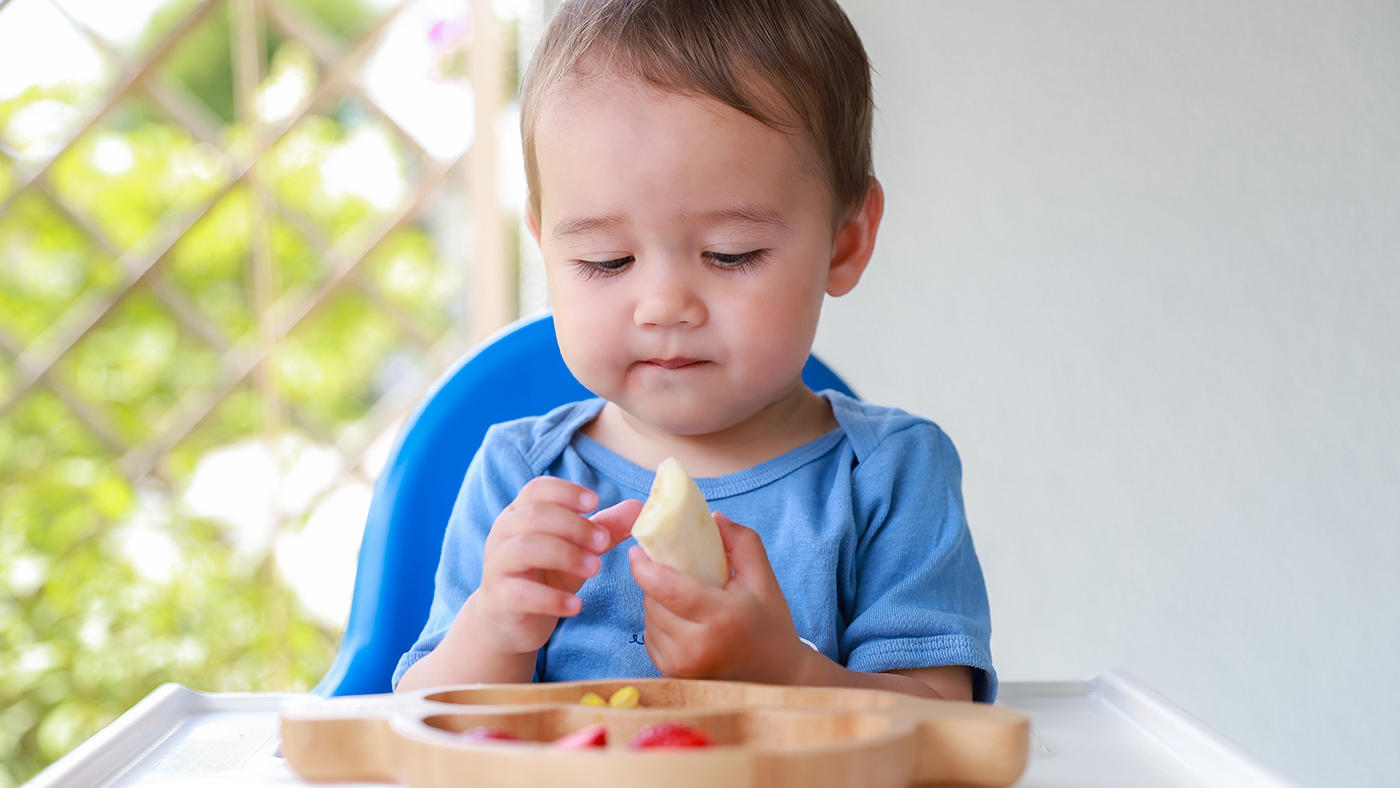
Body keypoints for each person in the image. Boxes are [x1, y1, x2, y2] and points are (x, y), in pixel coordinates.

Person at [394, 0, 995, 702]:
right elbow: (419, 722)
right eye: (607, 260)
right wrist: (493, 630)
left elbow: (948, 733)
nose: (665, 306)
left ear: (846, 241)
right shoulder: (520, 478)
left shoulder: (888, 477)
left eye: (729, 254)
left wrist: (786, 672)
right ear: (545, 244)